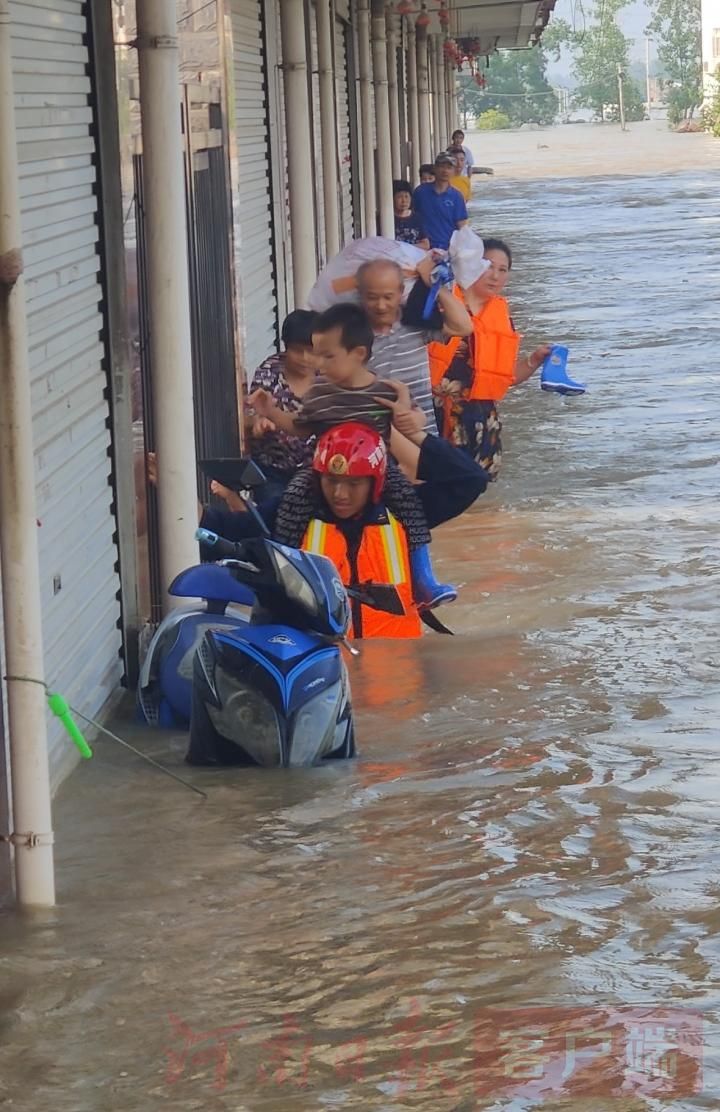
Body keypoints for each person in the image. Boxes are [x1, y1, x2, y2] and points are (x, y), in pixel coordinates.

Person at [248, 304, 455, 608]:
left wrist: (413, 419)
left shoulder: (384, 391)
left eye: (327, 356)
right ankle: (285, 576)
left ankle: (424, 580)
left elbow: (412, 417)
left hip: (376, 470)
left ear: (357, 354)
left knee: (410, 509)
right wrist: (269, 411)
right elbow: (300, 427)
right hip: (325, 469)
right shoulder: (320, 394)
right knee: (291, 505)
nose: (318, 363)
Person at [200, 421, 489, 639]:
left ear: (374, 483)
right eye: (331, 481)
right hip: (321, 665)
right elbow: (224, 530)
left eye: (353, 484)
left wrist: (414, 432)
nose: (340, 493)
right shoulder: (291, 512)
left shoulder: (406, 512)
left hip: (398, 665)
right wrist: (178, 494)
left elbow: (471, 479)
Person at [429, 237, 552, 478]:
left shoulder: (502, 316)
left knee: (479, 494)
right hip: (435, 415)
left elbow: (506, 377)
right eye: (487, 266)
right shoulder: (440, 303)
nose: (495, 275)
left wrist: (534, 360)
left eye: (502, 270)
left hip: (482, 420)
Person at [358, 256, 473, 432]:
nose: (381, 306)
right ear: (360, 295)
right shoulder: (351, 335)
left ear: (401, 292)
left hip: (423, 434)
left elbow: (463, 326)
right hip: (374, 439)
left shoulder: (415, 322)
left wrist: (435, 285)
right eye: (372, 297)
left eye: (388, 297)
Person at [245, 309, 319, 499]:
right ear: (286, 346)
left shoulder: (328, 377)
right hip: (272, 468)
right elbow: (251, 411)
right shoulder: (269, 371)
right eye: (297, 350)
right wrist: (258, 422)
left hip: (317, 471)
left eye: (311, 351)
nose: (304, 358)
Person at [411, 153, 468, 251]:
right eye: (442, 166)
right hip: (423, 248)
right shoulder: (420, 192)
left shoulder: (457, 196)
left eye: (449, 167)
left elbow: (462, 226)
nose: (445, 171)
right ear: (435, 169)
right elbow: (411, 217)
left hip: (448, 249)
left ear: (454, 171)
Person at [393, 179, 429, 248]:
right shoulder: (385, 219)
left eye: (406, 196)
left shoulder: (417, 218)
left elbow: (426, 245)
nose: (404, 201)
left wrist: (407, 247)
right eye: (399, 197)